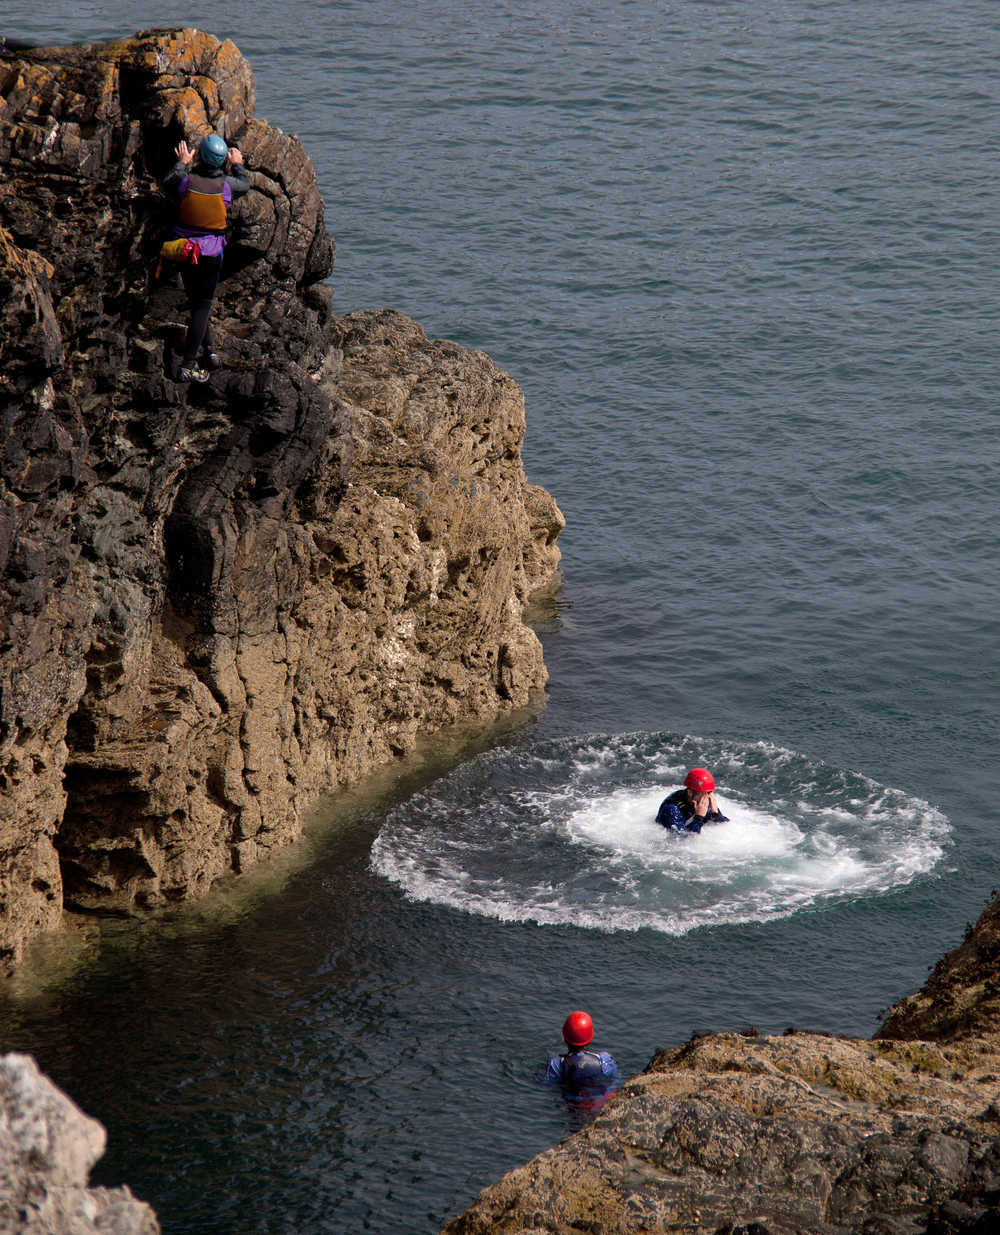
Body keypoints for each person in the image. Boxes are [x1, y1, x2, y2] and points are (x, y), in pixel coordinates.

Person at [161, 133, 249, 382]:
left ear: (199, 156)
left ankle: (209, 352)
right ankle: (189, 364)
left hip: (186, 252)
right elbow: (245, 183)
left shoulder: (186, 181)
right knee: (201, 305)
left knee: (197, 303)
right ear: (222, 161)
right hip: (211, 254)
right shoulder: (227, 186)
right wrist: (237, 163)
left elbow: (169, 181)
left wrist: (182, 161)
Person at [539, 1011, 619, 1101]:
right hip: (600, 1101)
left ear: (565, 1037)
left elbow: (545, 1084)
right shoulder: (604, 1059)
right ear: (590, 1037)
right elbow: (614, 1080)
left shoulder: (556, 1064)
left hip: (572, 1106)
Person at [656, 767, 729, 834]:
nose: (707, 797)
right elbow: (682, 841)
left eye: (709, 793)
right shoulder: (672, 810)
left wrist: (716, 813)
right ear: (690, 793)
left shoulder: (702, 800)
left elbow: (725, 826)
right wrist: (699, 818)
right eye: (703, 794)